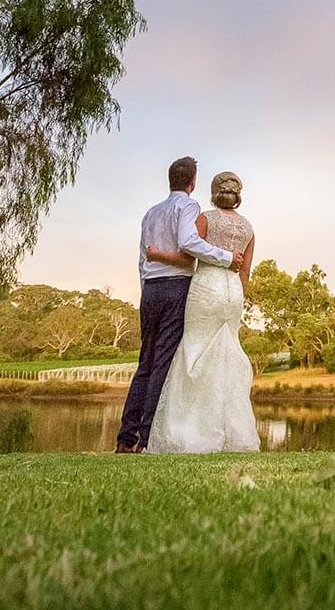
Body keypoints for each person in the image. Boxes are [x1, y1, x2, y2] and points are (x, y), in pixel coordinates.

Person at [114, 157, 247, 453]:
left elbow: (142, 258)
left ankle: (126, 438)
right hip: (175, 288)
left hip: (151, 290)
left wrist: (145, 291)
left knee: (145, 364)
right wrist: (226, 258)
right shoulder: (187, 206)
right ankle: (147, 438)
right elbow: (188, 242)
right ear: (193, 183)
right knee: (164, 362)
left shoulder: (150, 213)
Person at [146, 170, 259, 453]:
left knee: (194, 352)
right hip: (232, 293)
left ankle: (189, 433)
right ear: (238, 194)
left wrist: (158, 255)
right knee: (228, 354)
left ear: (213, 191)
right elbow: (244, 272)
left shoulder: (205, 219)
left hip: (207, 287)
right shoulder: (249, 228)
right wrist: (238, 298)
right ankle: (232, 434)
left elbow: (189, 252)